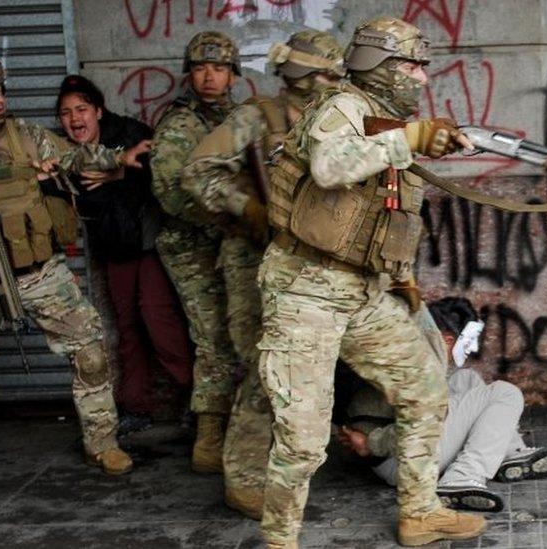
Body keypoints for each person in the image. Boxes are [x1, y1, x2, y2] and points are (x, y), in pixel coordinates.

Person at [248, 16, 485, 547]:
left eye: (423, 67)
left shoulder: (383, 119)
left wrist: (401, 279)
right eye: (410, 66)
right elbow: (331, 167)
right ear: (376, 66)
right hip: (305, 292)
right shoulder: (343, 108)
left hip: (362, 291)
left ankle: (420, 513)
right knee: (304, 440)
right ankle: (279, 540)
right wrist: (414, 137)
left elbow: (380, 215)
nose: (421, 79)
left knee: (426, 388)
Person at [0, 48, 148, 511]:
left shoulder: (26, 135)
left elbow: (76, 157)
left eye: (3, 89)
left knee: (90, 353)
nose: (1, 98)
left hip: (42, 272)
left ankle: (102, 441)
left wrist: (119, 157)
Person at [181, 29, 346, 519]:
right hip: (256, 260)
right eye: (324, 74)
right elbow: (195, 172)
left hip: (322, 265)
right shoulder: (257, 118)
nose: (333, 83)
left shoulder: (340, 118)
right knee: (263, 368)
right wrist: (249, 208)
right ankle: (244, 478)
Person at [336, 298, 547, 513]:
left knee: (465, 379)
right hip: (402, 462)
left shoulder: (418, 352)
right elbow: (415, 424)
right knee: (505, 393)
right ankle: (462, 476)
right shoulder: (420, 368)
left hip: (403, 451)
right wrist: (372, 443)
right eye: (467, 343)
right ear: (447, 340)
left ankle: (509, 453)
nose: (470, 350)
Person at [56, 75, 193, 433]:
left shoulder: (129, 132)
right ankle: (137, 407)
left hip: (149, 243)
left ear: (99, 111)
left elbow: (158, 167)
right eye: (66, 113)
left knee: (158, 321)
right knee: (127, 327)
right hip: (116, 249)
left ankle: (200, 402)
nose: (75, 119)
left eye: (82, 109)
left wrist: (116, 172)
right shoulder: (65, 153)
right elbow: (79, 194)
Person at [150, 31, 242, 473]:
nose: (210, 77)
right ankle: (209, 435)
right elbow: (169, 193)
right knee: (214, 337)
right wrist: (226, 216)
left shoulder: (240, 118)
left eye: (219, 68)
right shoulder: (179, 124)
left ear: (231, 75)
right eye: (202, 68)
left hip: (234, 245)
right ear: (189, 73)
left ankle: (240, 429)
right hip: (192, 245)